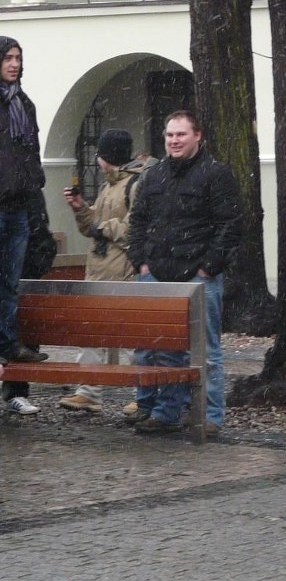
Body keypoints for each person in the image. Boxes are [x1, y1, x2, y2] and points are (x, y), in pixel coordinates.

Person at [126, 110, 242, 436]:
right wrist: (142, 264)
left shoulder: (216, 175)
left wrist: (207, 269)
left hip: (197, 279)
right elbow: (138, 222)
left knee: (206, 351)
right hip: (156, 275)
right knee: (164, 350)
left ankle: (211, 416)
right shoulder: (155, 175)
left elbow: (230, 225)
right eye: (169, 135)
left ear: (197, 136)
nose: (174, 141)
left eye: (181, 135)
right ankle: (167, 413)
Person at [58, 128, 145, 414]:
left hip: (123, 272)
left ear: (106, 157)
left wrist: (102, 227)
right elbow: (91, 226)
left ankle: (141, 394)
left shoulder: (135, 185)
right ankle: (88, 391)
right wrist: (81, 209)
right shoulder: (109, 186)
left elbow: (134, 229)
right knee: (91, 334)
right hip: (97, 272)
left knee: (132, 338)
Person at [0, 35, 49, 416]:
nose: (14, 64)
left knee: (11, 284)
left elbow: (29, 153)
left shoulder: (23, 104)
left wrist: (36, 195)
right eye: (8, 58)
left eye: (18, 57)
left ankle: (11, 360)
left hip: (20, 206)